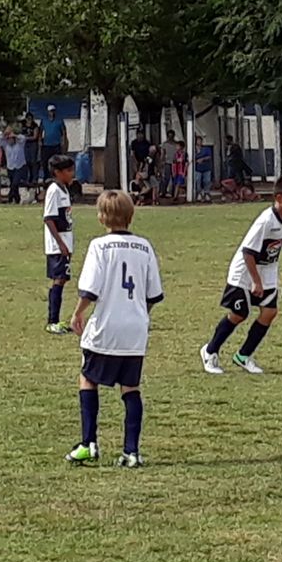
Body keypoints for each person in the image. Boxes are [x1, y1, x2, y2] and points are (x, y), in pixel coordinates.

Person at [65, 191, 164, 468]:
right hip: (135, 330)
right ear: (131, 215)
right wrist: (139, 314)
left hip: (106, 327)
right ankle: (132, 451)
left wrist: (77, 313)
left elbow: (90, 289)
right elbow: (153, 294)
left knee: (88, 378)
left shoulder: (99, 246)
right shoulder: (144, 247)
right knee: (130, 387)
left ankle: (88, 443)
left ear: (101, 217)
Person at [200, 175, 282, 375]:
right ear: (280, 198)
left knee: (269, 312)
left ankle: (243, 355)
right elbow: (248, 252)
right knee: (239, 314)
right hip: (245, 274)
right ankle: (210, 350)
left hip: (267, 272)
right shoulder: (265, 220)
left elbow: (271, 238)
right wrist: (256, 282)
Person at [43, 154, 77, 335]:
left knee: (62, 279)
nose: (72, 174)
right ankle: (52, 321)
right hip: (57, 245)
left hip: (65, 242)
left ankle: (55, 320)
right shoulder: (54, 190)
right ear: (58, 172)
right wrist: (60, 243)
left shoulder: (64, 189)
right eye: (68, 170)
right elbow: (49, 219)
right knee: (59, 279)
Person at [39, 105, 68, 196]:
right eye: (50, 111)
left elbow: (64, 133)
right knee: (46, 165)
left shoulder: (59, 121)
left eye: (53, 111)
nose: (52, 112)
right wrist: (40, 141)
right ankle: (46, 185)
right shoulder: (44, 120)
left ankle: (58, 184)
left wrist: (64, 145)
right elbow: (40, 132)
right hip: (46, 146)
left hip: (56, 146)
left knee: (57, 165)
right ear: (48, 112)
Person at [2, 127, 28, 204]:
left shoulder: (20, 144)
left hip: (19, 167)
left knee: (15, 183)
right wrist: (5, 134)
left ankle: (10, 198)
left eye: (11, 139)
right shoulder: (6, 145)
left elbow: (23, 138)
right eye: (8, 139)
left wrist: (14, 135)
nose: (10, 140)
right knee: (13, 184)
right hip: (10, 167)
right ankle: (17, 199)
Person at [160, 129, 180, 198]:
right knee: (166, 178)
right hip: (167, 163)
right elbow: (163, 153)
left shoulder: (176, 144)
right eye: (169, 136)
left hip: (175, 163)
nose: (170, 137)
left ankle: (173, 193)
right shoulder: (165, 144)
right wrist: (162, 162)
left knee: (174, 178)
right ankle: (163, 192)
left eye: (171, 136)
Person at [194, 136, 213, 203]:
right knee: (197, 180)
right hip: (197, 168)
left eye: (200, 140)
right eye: (198, 140)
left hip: (206, 167)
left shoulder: (206, 149)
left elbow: (209, 156)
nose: (199, 142)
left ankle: (206, 193)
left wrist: (202, 159)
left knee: (207, 181)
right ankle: (199, 193)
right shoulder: (193, 150)